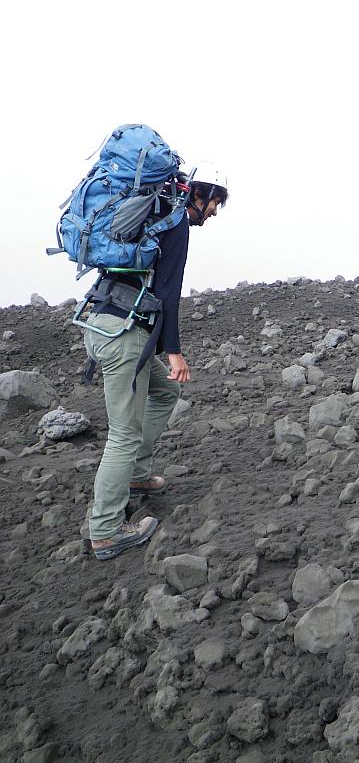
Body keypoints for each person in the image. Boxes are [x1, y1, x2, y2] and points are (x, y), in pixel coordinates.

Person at [81, 164, 229, 560]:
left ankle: (138, 478)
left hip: (102, 323)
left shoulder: (149, 214)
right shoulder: (174, 221)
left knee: (164, 392)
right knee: (122, 435)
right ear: (201, 194)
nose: (214, 213)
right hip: (124, 338)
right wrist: (175, 351)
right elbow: (168, 291)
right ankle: (107, 530)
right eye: (215, 203)